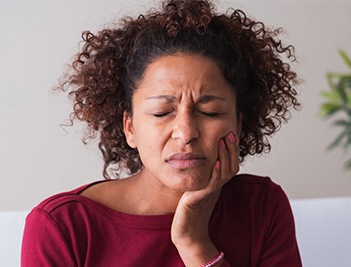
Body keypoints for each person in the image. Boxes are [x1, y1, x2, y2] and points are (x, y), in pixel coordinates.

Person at [21, 0, 302, 266]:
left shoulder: (261, 207)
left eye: (210, 112)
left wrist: (194, 243)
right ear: (130, 127)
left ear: (237, 125)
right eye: (161, 113)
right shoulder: (62, 227)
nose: (186, 132)